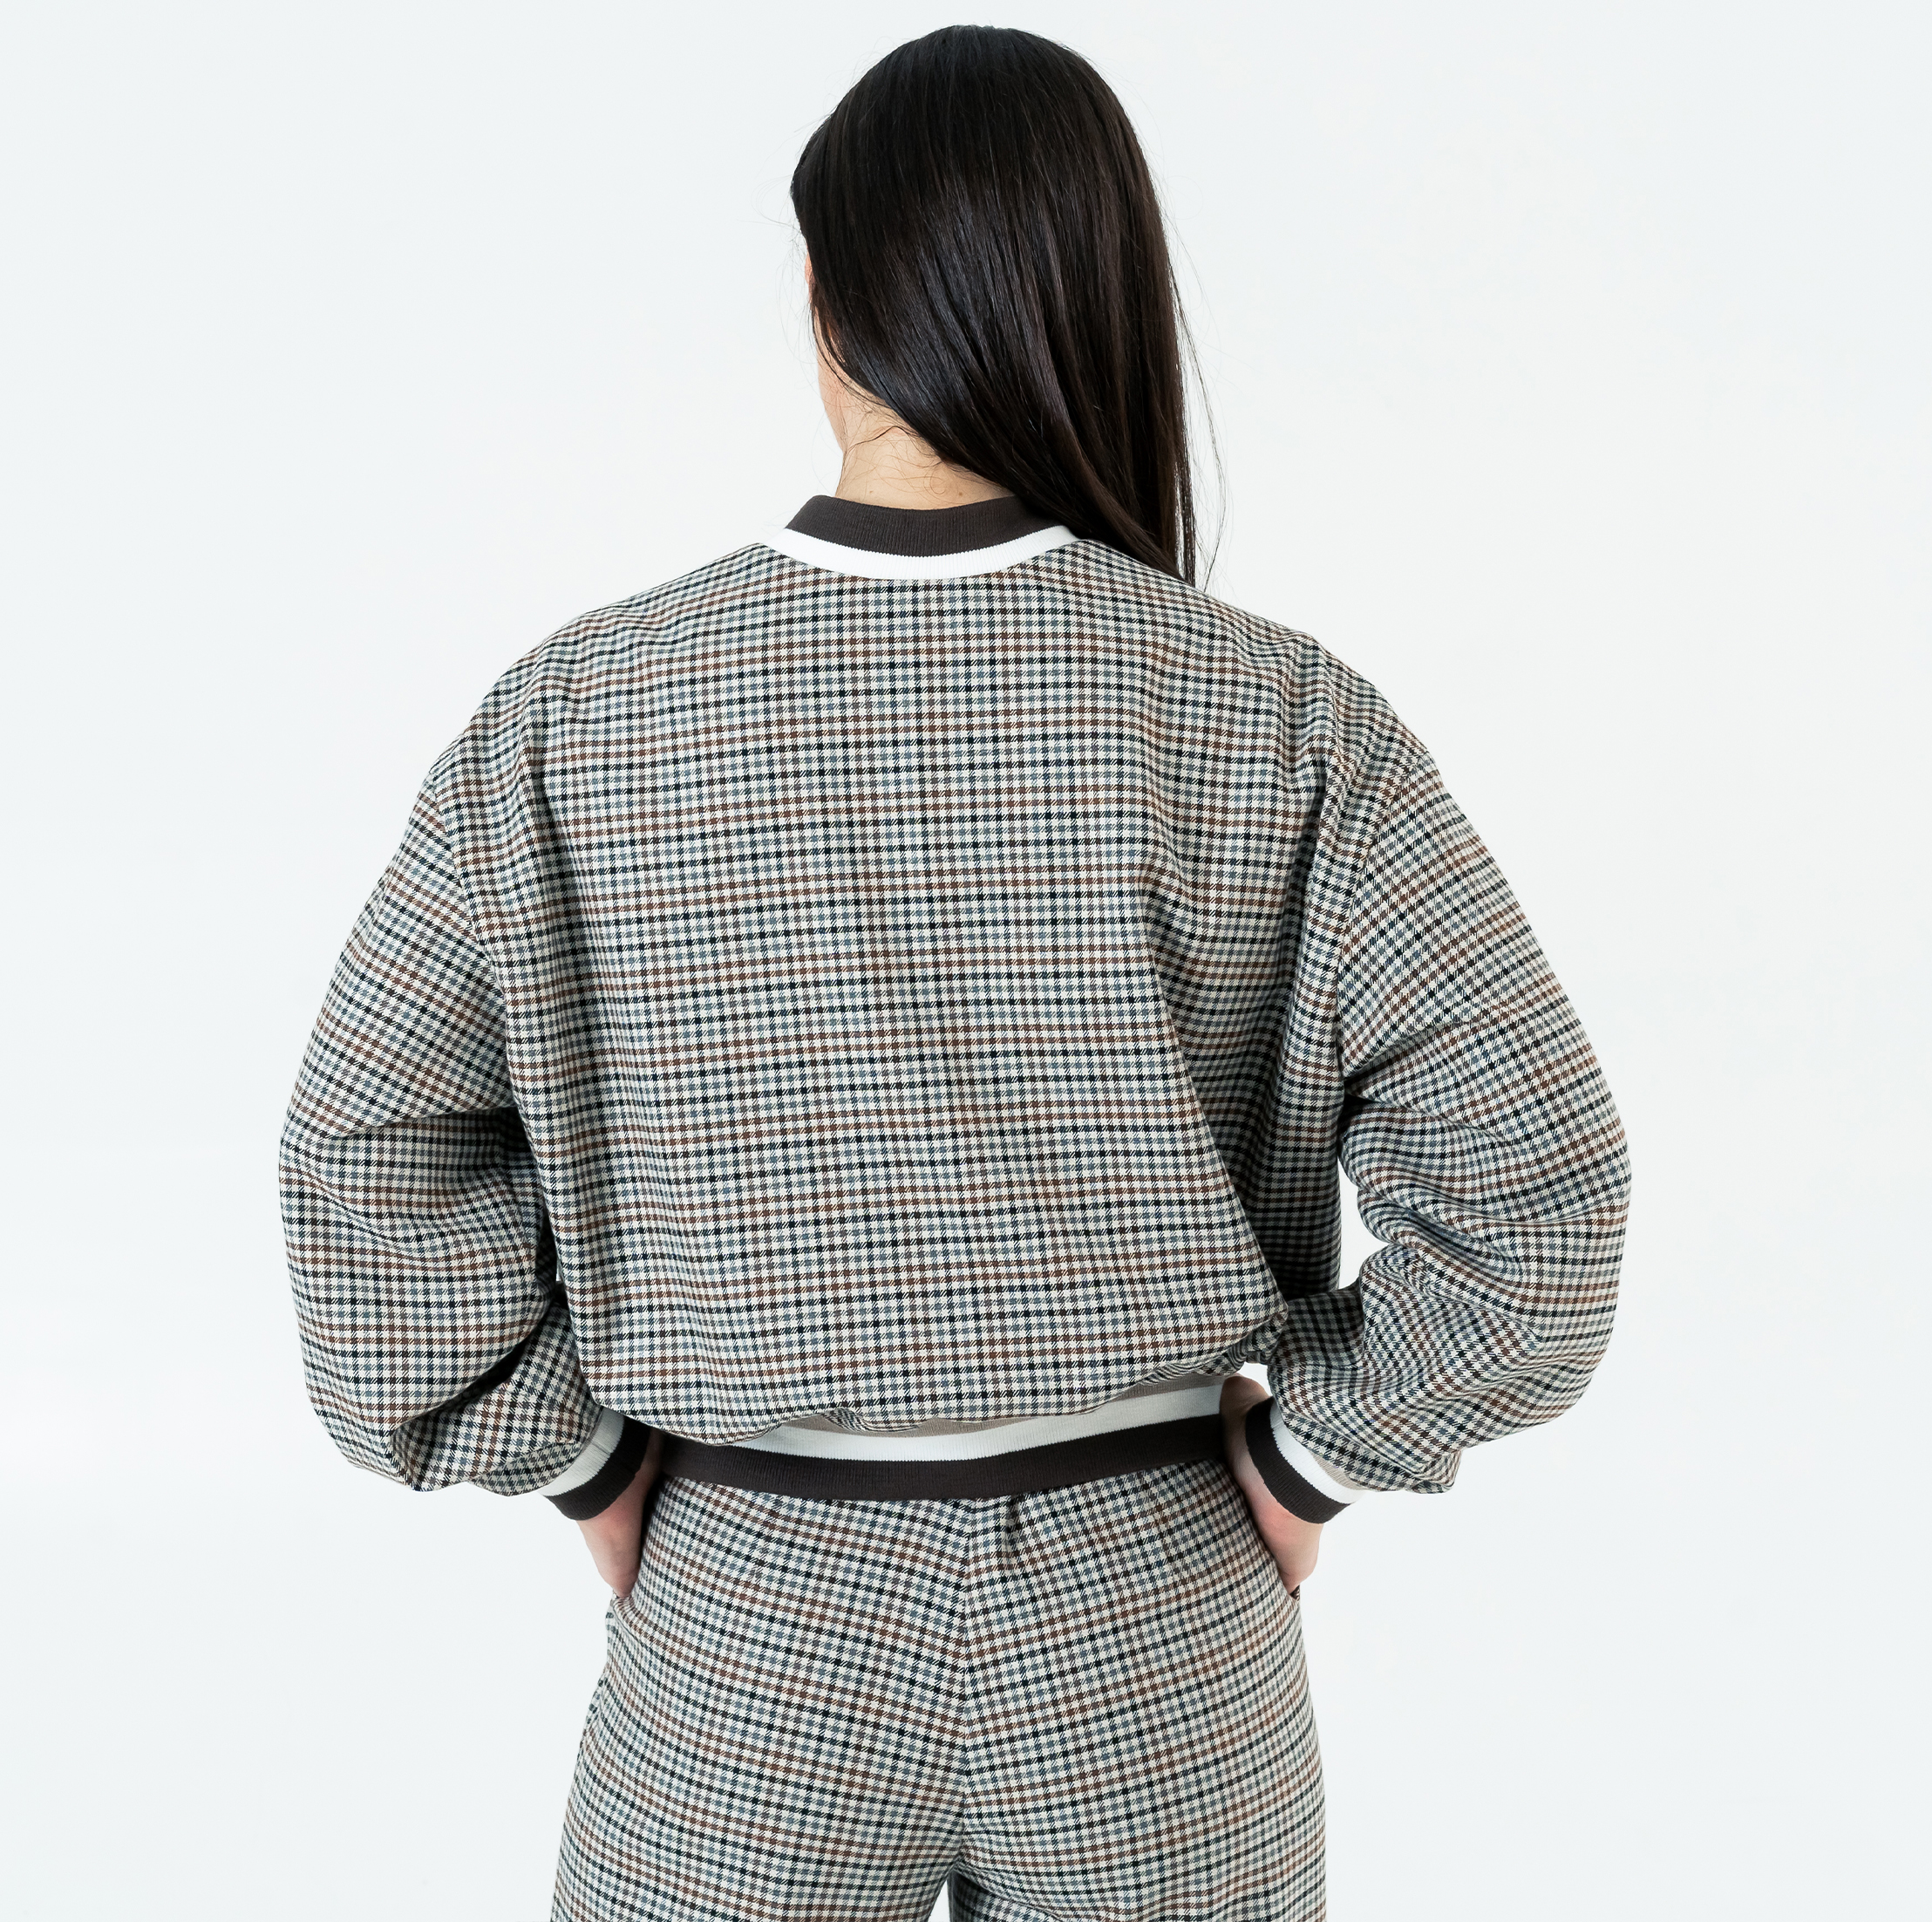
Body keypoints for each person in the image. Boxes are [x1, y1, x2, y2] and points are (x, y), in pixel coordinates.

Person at [279, 25, 1629, 1922]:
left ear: (826, 296)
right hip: (1158, 1635)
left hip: (746, 1622)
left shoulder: (577, 716)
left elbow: (364, 1162)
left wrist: (579, 1460)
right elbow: (1541, 1200)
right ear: (1098, 299)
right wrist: (1311, 1457)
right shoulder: (1278, 713)